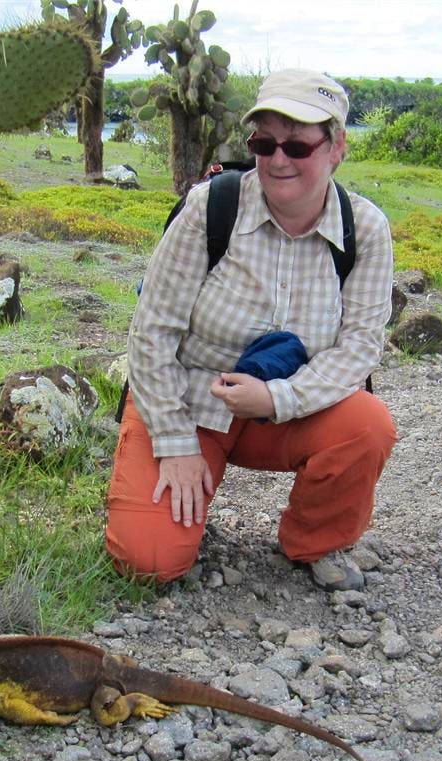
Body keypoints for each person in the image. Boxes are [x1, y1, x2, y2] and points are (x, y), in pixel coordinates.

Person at [105, 69, 397, 592]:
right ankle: (175, 488)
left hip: (291, 409)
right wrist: (174, 443)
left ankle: (314, 539)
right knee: (148, 560)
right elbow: (152, 332)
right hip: (188, 401)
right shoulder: (210, 209)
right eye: (264, 143)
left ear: (337, 147)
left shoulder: (367, 229)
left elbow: (359, 348)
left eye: (298, 145)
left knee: (366, 423)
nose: (278, 159)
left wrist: (277, 397)